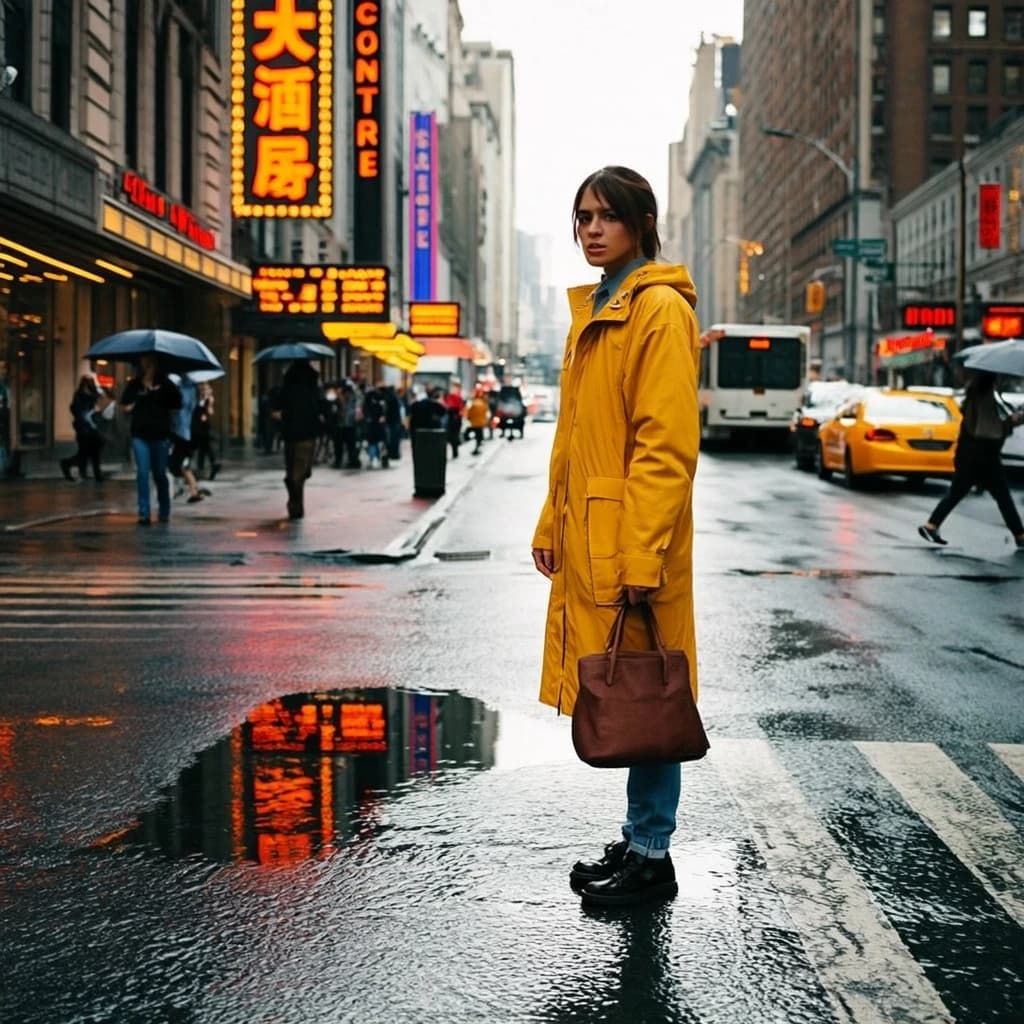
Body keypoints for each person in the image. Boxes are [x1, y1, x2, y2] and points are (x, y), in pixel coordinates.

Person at [531, 166, 701, 908]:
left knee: (652, 700)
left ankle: (653, 855)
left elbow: (664, 447)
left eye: (606, 216)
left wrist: (641, 553)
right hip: (594, 533)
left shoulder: (657, 309)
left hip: (637, 542)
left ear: (640, 222)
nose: (591, 229)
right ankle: (639, 837)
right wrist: (549, 522)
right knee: (631, 697)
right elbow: (574, 439)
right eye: (581, 217)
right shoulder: (598, 308)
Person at [918, 370, 1024, 548]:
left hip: (969, 454)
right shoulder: (984, 396)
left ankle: (932, 525)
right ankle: (1020, 535)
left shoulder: (975, 393)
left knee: (957, 492)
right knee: (1003, 496)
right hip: (983, 455)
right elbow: (988, 430)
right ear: (992, 378)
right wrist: (1012, 422)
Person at [120, 354, 183, 525]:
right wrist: (135, 402)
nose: (147, 366)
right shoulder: (134, 384)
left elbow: (177, 404)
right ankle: (144, 513)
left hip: (161, 435)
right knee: (142, 473)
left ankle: (164, 510)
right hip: (140, 435)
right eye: (144, 363)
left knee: (159, 474)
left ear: (156, 365)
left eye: (150, 363)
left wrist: (164, 392)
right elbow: (124, 406)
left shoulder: (165, 384)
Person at [271, 359, 322, 519]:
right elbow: (319, 407)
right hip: (308, 435)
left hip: (291, 434)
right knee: (300, 472)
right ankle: (296, 505)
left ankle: (295, 504)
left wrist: (281, 415)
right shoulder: (313, 386)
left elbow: (280, 406)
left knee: (292, 472)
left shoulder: (288, 385)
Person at [60, 374, 107, 481]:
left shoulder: (93, 394)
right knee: (84, 453)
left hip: (92, 428)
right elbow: (77, 411)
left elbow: (102, 398)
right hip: (83, 428)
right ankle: (69, 464)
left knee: (93, 452)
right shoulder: (79, 396)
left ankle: (95, 474)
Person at [168, 374, 204, 504]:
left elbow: (178, 411)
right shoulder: (193, 390)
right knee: (182, 464)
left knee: (177, 464)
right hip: (187, 433)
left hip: (181, 433)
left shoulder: (183, 389)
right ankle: (191, 490)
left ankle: (189, 490)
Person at [191, 382, 220, 479]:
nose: (203, 390)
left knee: (204, 448)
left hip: (203, 427)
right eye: (202, 388)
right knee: (203, 449)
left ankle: (208, 466)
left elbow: (211, 412)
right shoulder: (197, 398)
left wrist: (207, 411)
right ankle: (209, 466)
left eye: (205, 388)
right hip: (196, 426)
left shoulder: (208, 400)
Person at [442, 380, 465, 458]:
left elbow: (448, 406)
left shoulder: (456, 397)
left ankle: (455, 452)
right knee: (453, 436)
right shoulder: (453, 396)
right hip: (454, 418)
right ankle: (455, 452)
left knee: (453, 436)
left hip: (454, 419)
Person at [466, 386, 490, 455]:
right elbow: (486, 413)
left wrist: (469, 418)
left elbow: (469, 412)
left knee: (477, 436)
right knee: (479, 436)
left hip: (474, 423)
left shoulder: (473, 402)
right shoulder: (484, 403)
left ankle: (476, 448)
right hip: (481, 423)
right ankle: (477, 448)